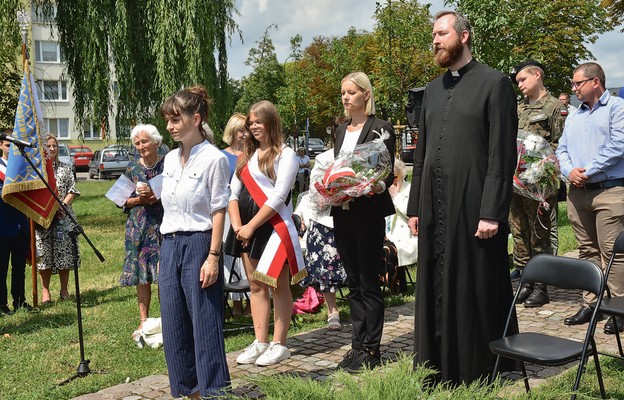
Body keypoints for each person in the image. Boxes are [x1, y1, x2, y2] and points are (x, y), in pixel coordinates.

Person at [406, 11, 518, 385]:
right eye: (433, 35)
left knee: (475, 283)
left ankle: (481, 367)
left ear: (464, 36)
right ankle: (436, 364)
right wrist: (414, 207)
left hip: (473, 206)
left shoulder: (495, 84)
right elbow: (420, 155)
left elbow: (502, 155)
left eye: (441, 33)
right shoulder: (432, 90)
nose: (435, 40)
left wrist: (491, 212)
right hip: (434, 207)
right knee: (435, 281)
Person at [159, 85, 230, 398]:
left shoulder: (214, 159)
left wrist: (214, 256)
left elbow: (219, 209)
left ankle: (215, 391)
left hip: (201, 243)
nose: (170, 126)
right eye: (168, 120)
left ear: (196, 118)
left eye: (176, 119)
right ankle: (188, 391)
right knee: (173, 323)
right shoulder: (170, 159)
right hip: (170, 243)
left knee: (205, 322)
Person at [225, 100, 306, 367]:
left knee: (278, 285)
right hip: (246, 230)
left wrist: (251, 226)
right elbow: (233, 195)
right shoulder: (245, 157)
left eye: (258, 121)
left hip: (273, 228)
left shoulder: (286, 155)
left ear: (271, 122)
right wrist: (238, 227)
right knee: (256, 285)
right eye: (251, 122)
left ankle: (279, 343)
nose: (253, 127)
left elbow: (279, 197)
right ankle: (260, 340)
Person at [332, 71, 396, 372]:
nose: (346, 97)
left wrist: (369, 185)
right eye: (343, 92)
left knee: (369, 282)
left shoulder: (381, 128)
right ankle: (357, 346)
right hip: (342, 213)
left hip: (368, 213)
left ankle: (372, 348)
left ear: (365, 95)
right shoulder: (341, 130)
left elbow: (385, 172)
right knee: (353, 283)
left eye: (351, 92)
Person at [556, 62, 624, 334]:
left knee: (612, 253)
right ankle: (592, 303)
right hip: (578, 193)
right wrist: (568, 170)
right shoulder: (574, 115)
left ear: (595, 82)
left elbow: (618, 145)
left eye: (577, 83)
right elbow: (561, 148)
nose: (573, 89)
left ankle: (619, 307)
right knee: (587, 250)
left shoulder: (617, 109)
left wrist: (588, 170)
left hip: (609, 191)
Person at [507, 61, 567, 307]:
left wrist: (537, 165)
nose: (519, 85)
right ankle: (526, 280)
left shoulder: (554, 107)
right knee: (519, 231)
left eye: (523, 79)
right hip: (516, 181)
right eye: (518, 82)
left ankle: (541, 285)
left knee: (539, 233)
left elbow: (559, 144)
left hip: (539, 184)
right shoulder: (518, 108)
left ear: (537, 75)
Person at [293, 148, 347, 330]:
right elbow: (314, 191)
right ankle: (333, 311)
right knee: (325, 271)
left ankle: (361, 306)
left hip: (352, 218)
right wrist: (335, 193)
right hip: (324, 220)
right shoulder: (324, 157)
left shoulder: (359, 153)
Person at [119, 124, 164, 336]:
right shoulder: (132, 168)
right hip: (138, 226)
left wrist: (157, 196)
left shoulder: (168, 164)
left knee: (165, 272)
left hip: (164, 224)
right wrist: (139, 199)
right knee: (142, 274)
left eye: (144, 141)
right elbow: (120, 200)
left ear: (155, 141)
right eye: (137, 143)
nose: (140, 146)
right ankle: (144, 320)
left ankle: (169, 317)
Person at [36, 134, 80, 305]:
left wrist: (62, 205)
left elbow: (72, 189)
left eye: (54, 145)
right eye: (48, 146)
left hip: (62, 217)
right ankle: (45, 291)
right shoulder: (37, 170)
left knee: (63, 253)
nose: (52, 149)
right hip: (43, 218)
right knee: (44, 253)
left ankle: (64, 289)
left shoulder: (65, 168)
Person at [221, 112, 250, 317]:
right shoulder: (221, 157)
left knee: (249, 257)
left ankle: (253, 301)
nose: (245, 134)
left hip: (250, 212)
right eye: (241, 130)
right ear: (232, 131)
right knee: (230, 257)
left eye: (247, 129)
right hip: (227, 212)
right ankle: (236, 303)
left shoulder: (254, 154)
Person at [0, 137, 31, 314]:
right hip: (3, 226)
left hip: (21, 226)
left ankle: (19, 301)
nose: (10, 148)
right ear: (0, 145)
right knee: (1, 269)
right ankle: (2, 305)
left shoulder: (23, 168)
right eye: (7, 144)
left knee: (19, 268)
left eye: (14, 145)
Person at [384, 158, 418, 293]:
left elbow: (411, 214)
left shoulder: (409, 190)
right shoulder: (385, 190)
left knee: (387, 250)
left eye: (395, 176)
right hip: (387, 234)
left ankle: (395, 286)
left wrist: (396, 196)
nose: (392, 180)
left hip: (407, 237)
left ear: (402, 175)